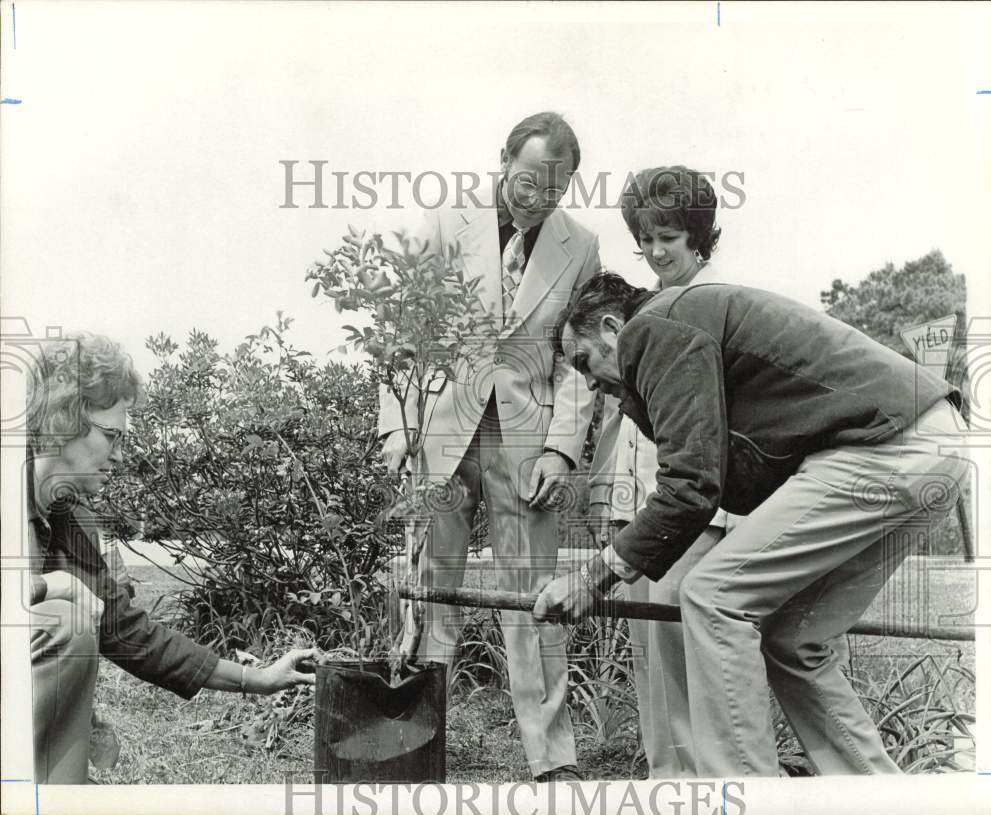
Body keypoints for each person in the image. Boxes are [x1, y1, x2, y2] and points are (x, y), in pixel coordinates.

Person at [535, 272, 969, 776]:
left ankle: (747, 797)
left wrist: (591, 576)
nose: (588, 382)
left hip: (883, 447)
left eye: (584, 361)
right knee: (793, 640)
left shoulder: (654, 327)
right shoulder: (683, 323)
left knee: (713, 596)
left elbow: (689, 487)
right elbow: (720, 479)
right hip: (932, 445)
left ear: (612, 328)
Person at [378, 112, 600, 781]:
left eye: (553, 191)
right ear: (503, 158)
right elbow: (401, 331)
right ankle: (414, 746)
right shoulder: (449, 223)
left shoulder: (581, 247)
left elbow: (580, 363)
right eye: (527, 180)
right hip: (441, 435)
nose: (535, 199)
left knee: (534, 597)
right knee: (429, 591)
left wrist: (562, 449)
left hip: (526, 448)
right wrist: (395, 427)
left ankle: (552, 760)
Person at [26, 332, 319, 784]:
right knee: (64, 623)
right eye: (110, 436)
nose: (119, 455)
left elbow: (126, 632)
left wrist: (257, 678)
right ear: (62, 418)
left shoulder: (71, 518)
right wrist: (45, 587)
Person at [587, 166, 733, 777]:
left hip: (699, 509)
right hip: (646, 504)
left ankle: (703, 776)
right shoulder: (646, 310)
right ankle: (665, 775)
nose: (655, 251)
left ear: (700, 237)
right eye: (644, 239)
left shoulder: (714, 307)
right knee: (649, 646)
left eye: (668, 237)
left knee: (683, 637)